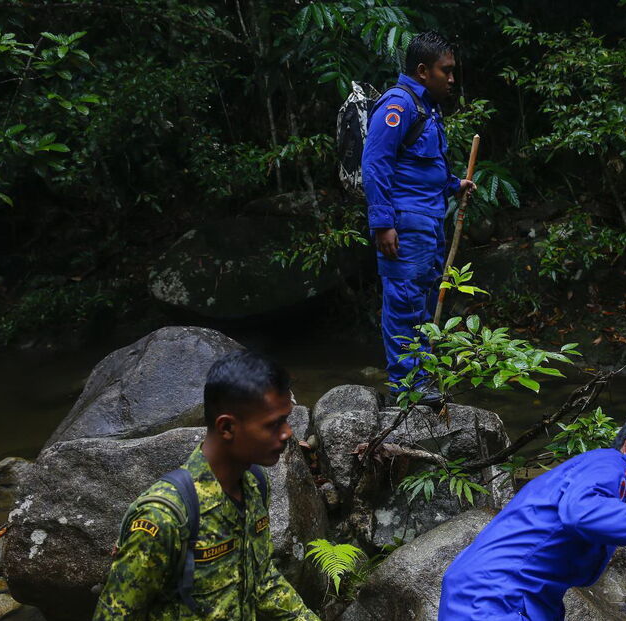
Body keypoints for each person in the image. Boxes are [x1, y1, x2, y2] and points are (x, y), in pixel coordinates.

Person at [438, 408, 626, 620]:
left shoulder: (612, 490)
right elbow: (582, 513)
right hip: (492, 598)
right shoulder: (608, 465)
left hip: (503, 598)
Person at [93, 351, 319, 620]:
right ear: (226, 428)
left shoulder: (255, 485)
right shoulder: (164, 516)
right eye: (274, 424)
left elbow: (261, 579)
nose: (287, 433)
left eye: (287, 419)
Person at [362, 30, 475, 401]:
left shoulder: (428, 108)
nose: (452, 79)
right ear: (424, 70)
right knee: (404, 304)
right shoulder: (399, 105)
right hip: (404, 226)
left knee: (423, 305)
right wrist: (382, 224)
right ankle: (407, 387)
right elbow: (375, 164)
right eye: (447, 71)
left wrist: (454, 185)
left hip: (429, 225)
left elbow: (422, 168)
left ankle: (422, 379)